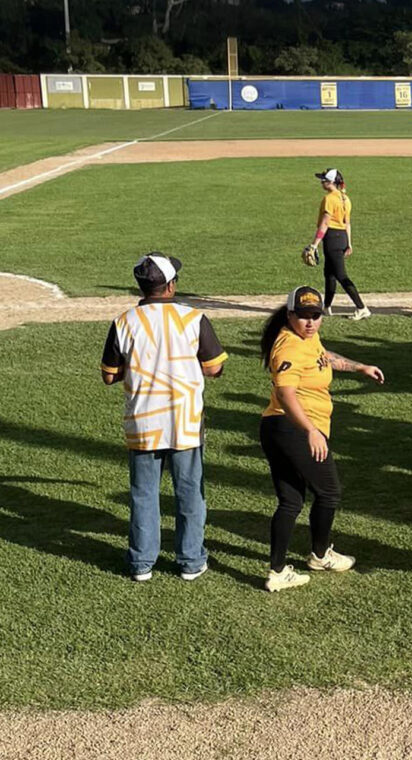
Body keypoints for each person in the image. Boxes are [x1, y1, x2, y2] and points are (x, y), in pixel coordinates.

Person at [100, 253, 228, 582]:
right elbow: (215, 367)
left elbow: (109, 376)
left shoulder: (123, 322)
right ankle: (190, 560)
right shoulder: (193, 318)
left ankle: (142, 562)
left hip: (143, 422)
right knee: (189, 492)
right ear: (170, 286)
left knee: (143, 493)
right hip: (184, 420)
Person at [259, 286, 386, 592]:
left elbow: (323, 357)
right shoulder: (288, 346)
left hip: (278, 428)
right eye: (303, 316)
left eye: (315, 315)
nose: (310, 322)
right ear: (290, 316)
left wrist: (359, 367)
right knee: (329, 492)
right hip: (294, 429)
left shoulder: (307, 338)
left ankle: (278, 572)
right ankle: (320, 554)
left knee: (291, 500)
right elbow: (285, 394)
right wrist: (310, 431)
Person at [307, 168, 370, 321]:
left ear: (331, 182)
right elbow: (347, 223)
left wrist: (314, 244)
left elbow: (325, 223)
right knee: (329, 274)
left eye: (324, 179)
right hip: (341, 237)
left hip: (332, 238)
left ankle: (362, 308)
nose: (321, 182)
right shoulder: (345, 198)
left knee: (341, 275)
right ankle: (326, 307)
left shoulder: (329, 198)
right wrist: (349, 243)